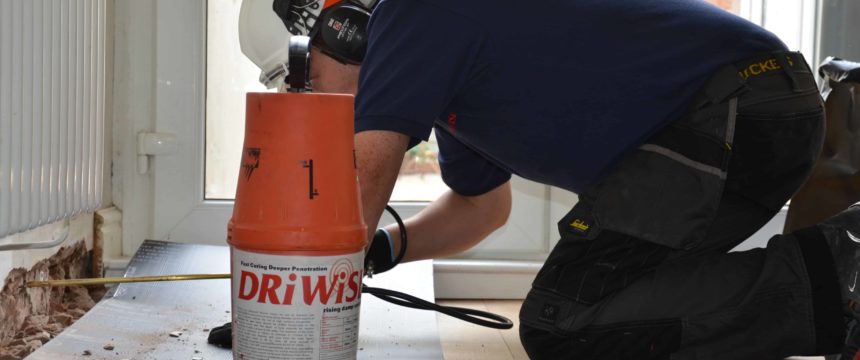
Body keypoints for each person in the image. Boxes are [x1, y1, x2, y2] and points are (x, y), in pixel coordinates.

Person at [261, 0, 860, 358]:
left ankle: (845, 271)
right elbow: (480, 208)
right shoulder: (445, 81)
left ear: (340, 29)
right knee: (607, 312)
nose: (307, 97)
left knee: (563, 318)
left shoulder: (411, 15)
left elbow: (363, 182)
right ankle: (836, 283)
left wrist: (294, 310)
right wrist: (384, 250)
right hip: (752, 112)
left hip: (733, 104)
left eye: (304, 77)